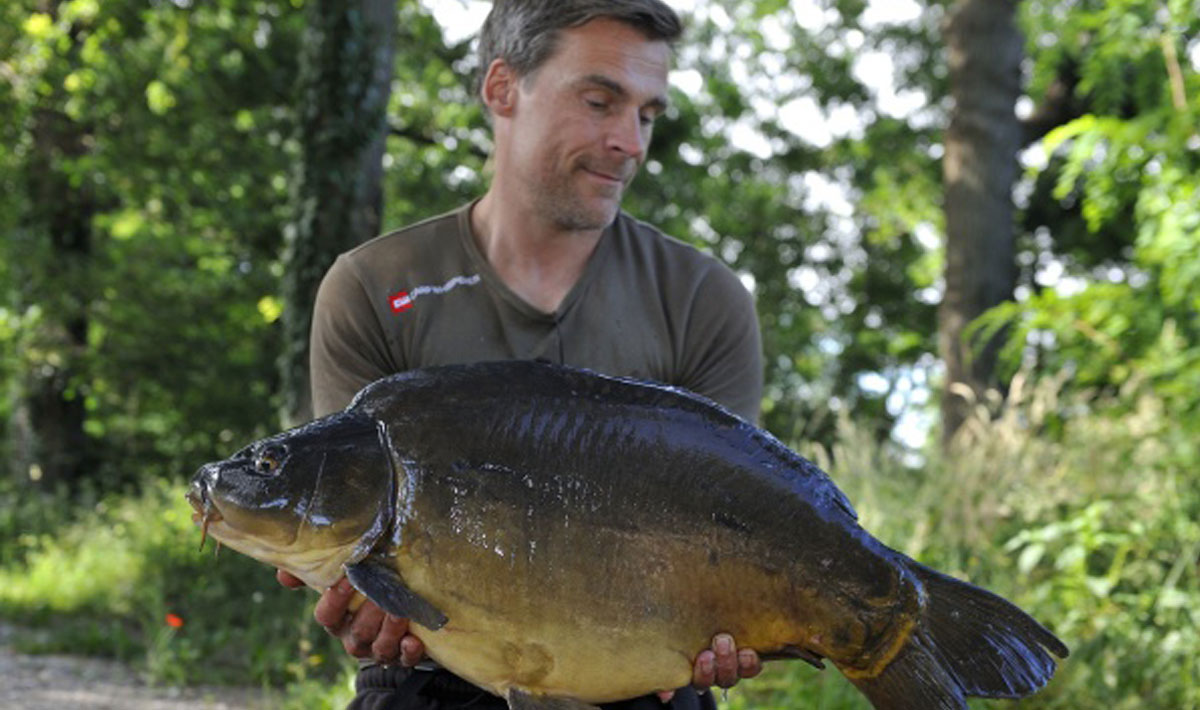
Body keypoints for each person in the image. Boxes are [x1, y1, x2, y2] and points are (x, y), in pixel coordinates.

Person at [278, 1, 766, 708]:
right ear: (502, 88)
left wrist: (726, 626)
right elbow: (352, 546)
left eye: (648, 115)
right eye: (601, 101)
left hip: (638, 679)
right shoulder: (374, 288)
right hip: (434, 673)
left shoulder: (704, 301)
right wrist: (358, 608)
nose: (630, 142)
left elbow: (737, 533)